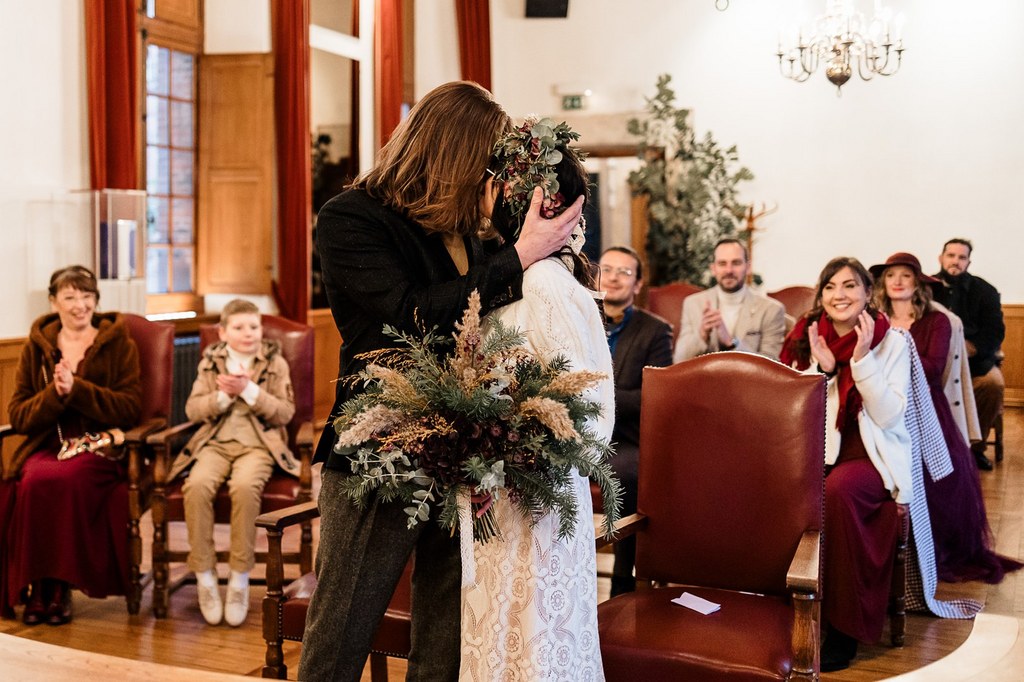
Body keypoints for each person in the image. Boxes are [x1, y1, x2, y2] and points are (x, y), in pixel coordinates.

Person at [299, 82, 582, 681]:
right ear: (453, 153)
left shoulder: (470, 229)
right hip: (381, 448)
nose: (492, 176)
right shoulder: (350, 217)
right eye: (486, 161)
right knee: (343, 628)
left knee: (450, 633)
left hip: (464, 449)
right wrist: (520, 256)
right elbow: (408, 316)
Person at [459, 117, 615, 680]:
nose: (484, 194)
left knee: (533, 645)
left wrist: (518, 445)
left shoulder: (547, 283)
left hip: (535, 501)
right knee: (494, 638)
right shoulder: (506, 275)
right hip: (491, 493)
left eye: (496, 183)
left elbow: (590, 410)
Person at [780, 257, 912, 672]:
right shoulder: (806, 334)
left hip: (869, 453)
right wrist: (824, 370)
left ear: (868, 294)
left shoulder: (893, 341)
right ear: (821, 296)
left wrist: (860, 360)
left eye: (850, 286)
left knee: (836, 494)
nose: (840, 295)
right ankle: (784, 614)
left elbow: (890, 416)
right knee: (777, 492)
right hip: (815, 447)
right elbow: (789, 403)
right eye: (831, 286)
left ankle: (842, 629)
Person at [0, 265, 141, 625]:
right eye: (70, 297)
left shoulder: (117, 343)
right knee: (31, 481)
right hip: (47, 444)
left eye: (87, 296)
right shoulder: (38, 347)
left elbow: (129, 408)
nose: (80, 305)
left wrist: (77, 390)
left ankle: (59, 589)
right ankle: (38, 590)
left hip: (100, 448)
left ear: (96, 300)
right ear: (53, 302)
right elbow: (18, 414)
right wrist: (54, 394)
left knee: (63, 480)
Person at [870, 253, 1021, 583]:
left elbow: (932, 368)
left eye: (905, 276)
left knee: (939, 480)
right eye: (891, 275)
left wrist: (884, 363)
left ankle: (933, 550)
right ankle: (893, 550)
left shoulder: (936, 322)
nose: (897, 281)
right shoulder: (874, 318)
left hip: (925, 406)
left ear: (918, 284)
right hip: (881, 407)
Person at [170, 299, 298, 627]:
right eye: (239, 328)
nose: (248, 334)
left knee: (244, 487)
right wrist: (225, 396)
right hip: (216, 444)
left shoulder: (274, 362)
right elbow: (193, 410)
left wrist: (249, 390)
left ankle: (239, 578)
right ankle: (206, 576)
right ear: (223, 332)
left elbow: (285, 412)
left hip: (257, 446)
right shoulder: (211, 363)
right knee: (196, 485)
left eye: (253, 327)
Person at [598, 245, 672, 597]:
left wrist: (596, 397)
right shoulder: (577, 317)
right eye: (607, 268)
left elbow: (653, 396)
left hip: (624, 439)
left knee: (625, 473)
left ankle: (622, 585)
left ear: (638, 283)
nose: (613, 277)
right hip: (572, 432)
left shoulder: (656, 331)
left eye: (624, 272)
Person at [931, 238, 1005, 470]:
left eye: (961, 257)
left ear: (968, 262)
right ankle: (935, 449)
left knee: (993, 384)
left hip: (973, 363)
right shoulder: (926, 289)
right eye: (951, 256)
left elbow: (994, 332)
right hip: (935, 363)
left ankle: (975, 449)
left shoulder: (985, 291)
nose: (955, 261)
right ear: (941, 258)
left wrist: (968, 349)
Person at [673, 238, 786, 362]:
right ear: (713, 269)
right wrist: (702, 335)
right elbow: (679, 360)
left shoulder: (771, 309)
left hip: (747, 381)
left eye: (736, 263)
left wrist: (731, 343)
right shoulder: (693, 304)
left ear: (748, 267)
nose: (729, 270)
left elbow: (772, 365)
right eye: (722, 263)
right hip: (704, 380)